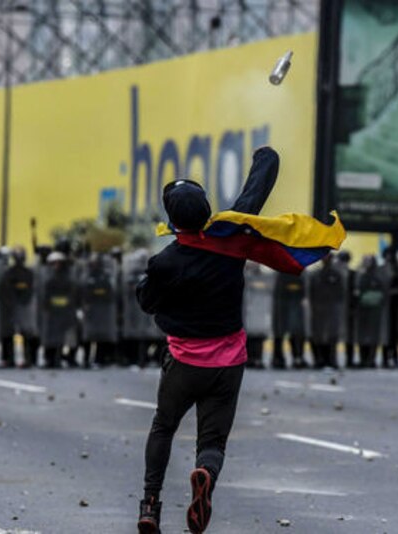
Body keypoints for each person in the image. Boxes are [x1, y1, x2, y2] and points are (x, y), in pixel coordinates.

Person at [135, 146, 278, 534]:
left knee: (164, 427)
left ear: (172, 219)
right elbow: (252, 197)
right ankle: (206, 474)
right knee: (212, 440)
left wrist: (148, 285)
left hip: (183, 364)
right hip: (228, 365)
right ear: (207, 212)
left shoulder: (165, 262)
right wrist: (265, 158)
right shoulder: (231, 245)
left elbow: (147, 303)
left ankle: (150, 505)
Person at [0, 247, 39, 368]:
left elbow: (31, 288)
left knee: (27, 333)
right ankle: (8, 359)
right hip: (11, 306)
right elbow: (6, 289)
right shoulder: (9, 273)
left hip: (25, 305)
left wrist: (24, 301)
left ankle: (28, 359)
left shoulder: (28, 273)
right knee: (8, 333)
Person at [80, 252, 118, 368]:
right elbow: (82, 290)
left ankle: (99, 359)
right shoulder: (86, 276)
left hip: (102, 309)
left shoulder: (105, 275)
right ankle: (86, 360)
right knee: (88, 336)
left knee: (101, 337)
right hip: (90, 309)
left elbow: (110, 291)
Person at [41, 251, 79, 369]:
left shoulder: (68, 279)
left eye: (58, 263)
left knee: (65, 337)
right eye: (53, 263)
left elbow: (72, 295)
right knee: (50, 337)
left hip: (65, 312)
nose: (56, 266)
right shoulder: (48, 278)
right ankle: (49, 359)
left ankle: (63, 358)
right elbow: (46, 295)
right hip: (52, 313)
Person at [307, 253, 344, 369]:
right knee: (318, 336)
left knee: (332, 336)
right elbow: (311, 293)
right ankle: (320, 359)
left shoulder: (336, 275)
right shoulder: (316, 275)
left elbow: (340, 294)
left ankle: (331, 360)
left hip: (332, 309)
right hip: (318, 309)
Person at [355, 255, 387, 368]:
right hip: (362, 310)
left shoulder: (378, 276)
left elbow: (382, 292)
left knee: (373, 335)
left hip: (374, 311)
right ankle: (363, 359)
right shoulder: (360, 275)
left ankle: (371, 359)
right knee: (362, 335)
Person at [271, 271, 306, 369]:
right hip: (283, 305)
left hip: (292, 305)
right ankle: (281, 358)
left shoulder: (296, 273)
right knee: (280, 333)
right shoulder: (283, 273)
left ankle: (296, 357)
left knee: (295, 332)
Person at [243, 261, 273, 369]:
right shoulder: (246, 276)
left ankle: (258, 358)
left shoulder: (264, 277)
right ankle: (250, 359)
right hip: (249, 311)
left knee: (259, 337)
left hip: (259, 310)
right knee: (250, 337)